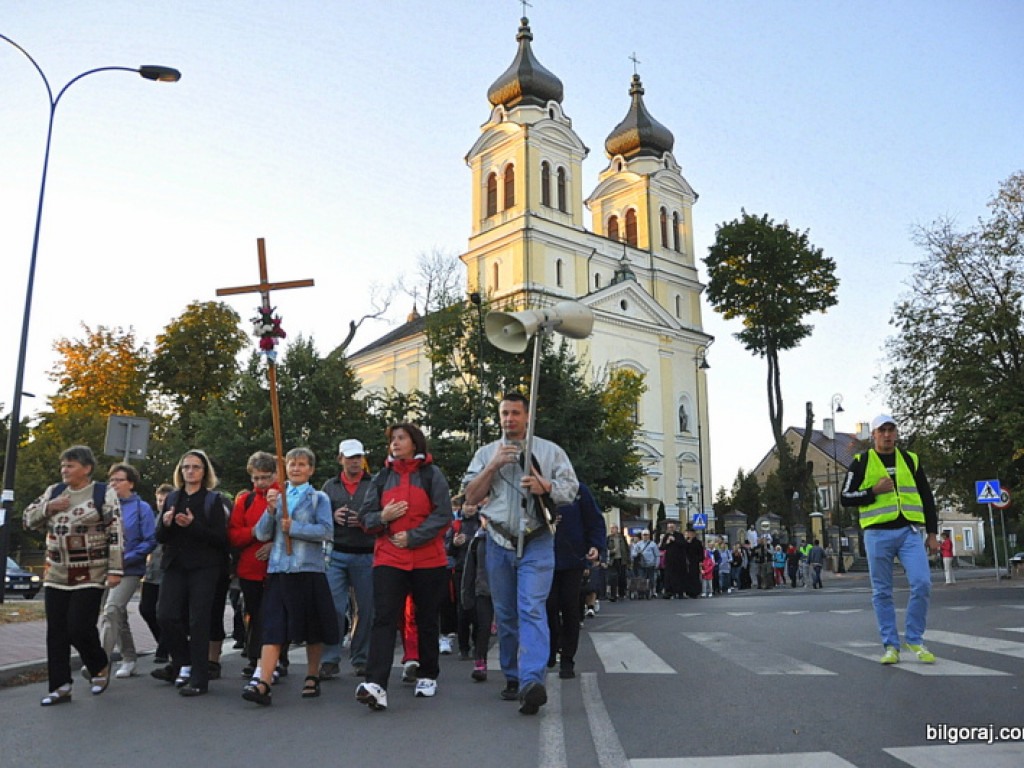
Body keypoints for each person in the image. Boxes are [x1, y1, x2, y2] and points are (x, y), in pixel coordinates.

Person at [463, 392, 579, 715]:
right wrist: (493, 466)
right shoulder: (486, 452)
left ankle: (532, 681)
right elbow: (470, 497)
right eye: (504, 413)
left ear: (527, 416)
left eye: (515, 413)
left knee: (531, 607)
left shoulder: (550, 451)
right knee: (506, 612)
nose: (509, 419)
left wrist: (547, 487)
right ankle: (512, 676)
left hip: (537, 539)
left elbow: (572, 489)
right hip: (498, 541)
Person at [355, 423, 453, 712]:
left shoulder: (432, 475)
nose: (395, 443)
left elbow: (443, 515)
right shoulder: (382, 477)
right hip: (389, 558)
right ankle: (376, 684)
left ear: (415, 443)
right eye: (392, 440)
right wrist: (383, 517)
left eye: (401, 438)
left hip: (428, 559)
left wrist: (414, 536)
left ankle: (427, 673)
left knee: (426, 619)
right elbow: (366, 517)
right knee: (383, 619)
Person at [23, 445, 124, 706]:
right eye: (63, 466)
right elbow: (27, 519)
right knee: (56, 631)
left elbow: (115, 532)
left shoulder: (103, 493)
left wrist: (115, 569)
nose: (64, 470)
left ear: (87, 468)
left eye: (70, 465)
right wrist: (49, 507)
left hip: (91, 572)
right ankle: (60, 686)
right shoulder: (54, 492)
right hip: (56, 572)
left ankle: (99, 664)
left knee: (79, 627)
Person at [242, 447, 339, 706]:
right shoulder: (277, 496)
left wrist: (295, 528)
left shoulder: (319, 498)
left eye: (302, 464)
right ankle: (263, 682)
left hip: (307, 569)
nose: (296, 468)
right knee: (272, 627)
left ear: (311, 469)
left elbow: (326, 531)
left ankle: (311, 674)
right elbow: (262, 534)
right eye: (292, 464)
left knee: (311, 626)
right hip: (279, 570)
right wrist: (271, 511)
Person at [841, 413, 939, 665]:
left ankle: (915, 638)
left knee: (922, 583)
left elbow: (927, 498)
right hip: (877, 534)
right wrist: (873, 491)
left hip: (909, 532)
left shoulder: (910, 459)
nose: (887, 435)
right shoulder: (861, 461)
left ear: (896, 433)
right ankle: (890, 646)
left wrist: (932, 534)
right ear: (873, 435)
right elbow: (846, 497)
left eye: (891, 430)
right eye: (881, 430)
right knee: (882, 591)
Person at [152, 449, 230, 697]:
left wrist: (194, 526)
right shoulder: (172, 498)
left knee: (198, 621)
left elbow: (221, 539)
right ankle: (183, 661)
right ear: (180, 471)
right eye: (186, 467)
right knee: (165, 615)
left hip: (205, 567)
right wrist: (165, 524)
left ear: (204, 471)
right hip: (175, 565)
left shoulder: (213, 500)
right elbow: (160, 537)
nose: (190, 471)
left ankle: (199, 678)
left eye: (196, 467)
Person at [319, 438, 377, 680]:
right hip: (337, 552)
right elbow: (318, 516)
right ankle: (330, 659)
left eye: (358, 457)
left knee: (366, 609)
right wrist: (332, 514)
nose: (355, 462)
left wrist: (365, 521)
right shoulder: (329, 486)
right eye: (350, 457)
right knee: (333, 607)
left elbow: (383, 514)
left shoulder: (374, 484)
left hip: (366, 553)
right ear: (340, 458)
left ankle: (361, 658)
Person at [100, 463, 156, 679]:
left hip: (129, 570)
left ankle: (99, 662)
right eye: (111, 480)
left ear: (130, 483)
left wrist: (125, 559)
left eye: (119, 480)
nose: (113, 484)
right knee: (117, 615)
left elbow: (150, 540)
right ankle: (129, 658)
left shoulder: (142, 508)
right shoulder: (104, 507)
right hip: (103, 569)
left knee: (112, 609)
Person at [546, 482, 605, 679]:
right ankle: (551, 647)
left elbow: (594, 520)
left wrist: (595, 545)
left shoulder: (578, 490)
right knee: (548, 607)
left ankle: (567, 659)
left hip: (573, 559)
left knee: (570, 608)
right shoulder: (538, 487)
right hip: (543, 559)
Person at [228, 451, 278, 679]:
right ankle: (254, 657)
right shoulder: (245, 500)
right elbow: (234, 534)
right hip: (250, 569)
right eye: (256, 478)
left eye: (265, 477)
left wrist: (273, 545)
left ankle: (278, 660)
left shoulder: (285, 496)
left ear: (275, 475)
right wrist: (256, 533)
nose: (260, 483)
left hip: (276, 567)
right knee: (255, 615)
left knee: (276, 615)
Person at [140, 483, 174, 665]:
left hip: (168, 571)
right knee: (146, 609)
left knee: (164, 612)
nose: (162, 504)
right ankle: (165, 641)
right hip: (152, 571)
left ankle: (163, 649)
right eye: (159, 500)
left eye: (165, 500)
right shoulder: (153, 519)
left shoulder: (174, 518)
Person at [605, 525, 629, 601]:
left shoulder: (622, 538)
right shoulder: (608, 538)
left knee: (622, 577)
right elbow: (605, 549)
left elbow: (627, 549)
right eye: (612, 528)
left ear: (617, 529)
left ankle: (622, 594)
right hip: (612, 560)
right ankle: (613, 595)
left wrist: (628, 560)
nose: (613, 530)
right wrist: (611, 551)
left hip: (622, 560)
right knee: (613, 578)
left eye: (614, 528)